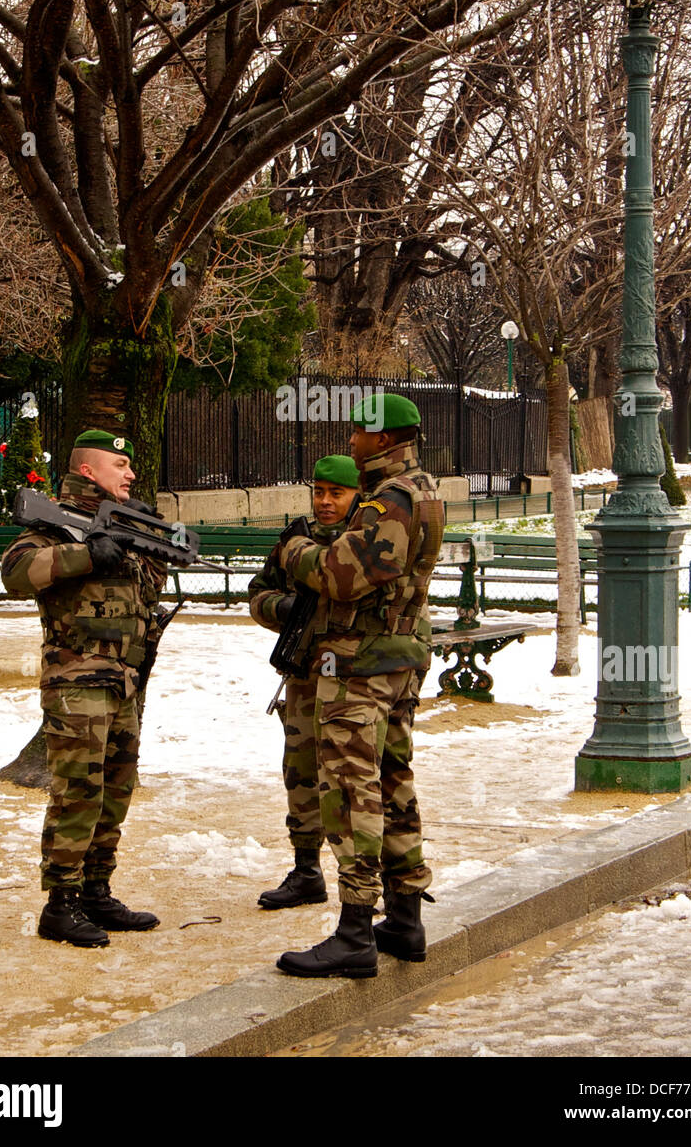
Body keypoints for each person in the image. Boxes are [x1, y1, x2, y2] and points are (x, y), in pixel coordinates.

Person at [273, 394, 445, 979]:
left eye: (358, 432)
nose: (350, 440)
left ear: (383, 438)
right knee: (394, 785)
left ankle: (353, 931)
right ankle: (403, 918)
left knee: (351, 792)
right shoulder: (422, 489)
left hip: (361, 665)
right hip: (397, 661)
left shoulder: (390, 500)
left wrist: (296, 549)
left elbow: (339, 577)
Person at [1, 429, 167, 948]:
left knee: (115, 791)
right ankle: (61, 903)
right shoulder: (56, 525)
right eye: (120, 464)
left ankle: (96, 890)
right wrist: (88, 555)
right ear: (89, 470)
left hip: (123, 682)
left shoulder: (124, 522)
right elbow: (16, 571)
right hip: (77, 682)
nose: (131, 473)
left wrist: (143, 547)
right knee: (79, 793)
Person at [249, 455, 359, 910]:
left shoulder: (364, 540)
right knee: (300, 771)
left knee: (352, 778)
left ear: (357, 495)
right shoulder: (296, 538)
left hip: (353, 679)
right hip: (305, 676)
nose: (326, 501)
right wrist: (285, 609)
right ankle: (306, 869)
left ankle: (359, 878)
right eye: (319, 491)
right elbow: (257, 594)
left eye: (337, 493)